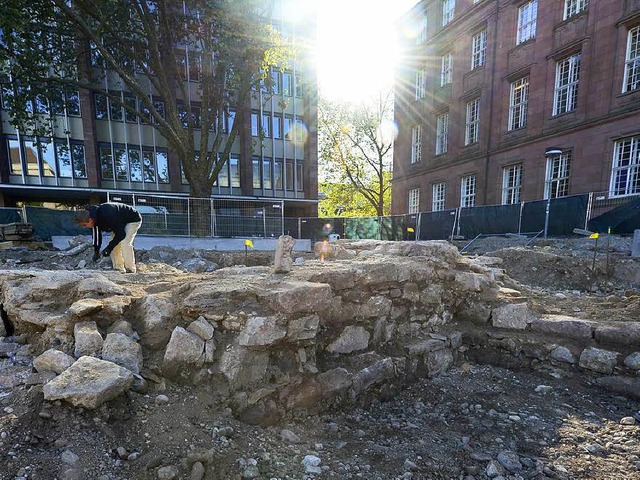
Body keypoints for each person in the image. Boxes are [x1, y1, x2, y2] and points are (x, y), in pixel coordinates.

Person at [75, 202, 142, 273]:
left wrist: (109, 248)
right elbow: (96, 235)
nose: (83, 227)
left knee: (125, 243)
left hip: (132, 219)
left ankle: (130, 269)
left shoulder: (107, 215)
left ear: (90, 220)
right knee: (113, 244)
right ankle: (118, 268)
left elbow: (121, 234)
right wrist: (96, 251)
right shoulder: (93, 218)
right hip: (119, 222)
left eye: (84, 225)